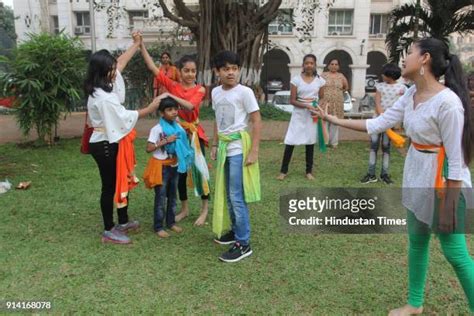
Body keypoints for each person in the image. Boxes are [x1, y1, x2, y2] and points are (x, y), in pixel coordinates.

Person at [314, 38, 474, 315]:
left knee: (455, 254)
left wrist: (449, 204)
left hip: (445, 183)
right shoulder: (410, 94)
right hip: (417, 176)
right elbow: (378, 123)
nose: (404, 58)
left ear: (424, 59)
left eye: (410, 52)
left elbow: (457, 160)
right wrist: (334, 120)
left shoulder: (448, 103)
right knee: (417, 241)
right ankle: (414, 303)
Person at [85, 46, 161, 244]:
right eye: (111, 68)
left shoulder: (102, 89)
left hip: (110, 141)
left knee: (121, 179)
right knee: (109, 186)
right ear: (102, 71)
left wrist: (136, 45)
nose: (114, 71)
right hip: (104, 144)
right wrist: (150, 108)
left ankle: (123, 221)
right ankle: (109, 229)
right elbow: (122, 117)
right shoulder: (102, 98)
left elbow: (121, 63)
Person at [141, 43, 210, 226]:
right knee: (179, 172)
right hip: (179, 134)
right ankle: (185, 209)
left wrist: (167, 96)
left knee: (199, 171)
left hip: (194, 134)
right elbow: (153, 68)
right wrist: (141, 45)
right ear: (179, 71)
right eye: (186, 71)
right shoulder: (173, 85)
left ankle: (204, 210)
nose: (190, 74)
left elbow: (189, 106)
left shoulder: (200, 89)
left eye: (193, 71)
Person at [210, 50, 262, 263]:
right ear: (217, 72)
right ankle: (234, 230)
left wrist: (254, 151)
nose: (231, 73)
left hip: (238, 149)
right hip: (223, 148)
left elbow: (257, 121)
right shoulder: (215, 93)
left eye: (234, 68)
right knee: (228, 194)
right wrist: (214, 144)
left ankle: (243, 243)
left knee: (236, 196)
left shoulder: (245, 92)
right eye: (226, 69)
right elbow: (217, 120)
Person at [143, 97, 194, 238]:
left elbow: (183, 145)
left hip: (175, 165)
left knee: (173, 196)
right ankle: (158, 226)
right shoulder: (157, 129)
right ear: (161, 113)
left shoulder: (178, 128)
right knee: (160, 197)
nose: (173, 112)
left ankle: (171, 223)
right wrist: (165, 140)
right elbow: (148, 148)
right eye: (169, 110)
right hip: (161, 167)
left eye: (175, 109)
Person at [277, 54, 326, 181]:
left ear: (315, 65)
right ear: (303, 65)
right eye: (307, 63)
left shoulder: (320, 81)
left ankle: (309, 171)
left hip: (312, 115)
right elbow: (292, 100)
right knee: (290, 141)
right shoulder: (296, 80)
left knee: (310, 142)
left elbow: (322, 97)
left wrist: (317, 107)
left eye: (312, 63)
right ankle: (283, 171)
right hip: (299, 114)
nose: (309, 65)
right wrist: (306, 106)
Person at [360, 63, 407, 185]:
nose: (381, 75)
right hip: (378, 120)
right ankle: (371, 174)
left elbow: (402, 106)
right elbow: (377, 103)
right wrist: (382, 117)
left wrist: (391, 121)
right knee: (373, 146)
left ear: (390, 75)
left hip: (389, 123)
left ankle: (384, 174)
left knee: (386, 148)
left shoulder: (402, 89)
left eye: (384, 73)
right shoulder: (379, 86)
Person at [321, 58, 349, 148]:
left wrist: (337, 93)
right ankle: (324, 142)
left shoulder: (341, 76)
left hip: (337, 102)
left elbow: (346, 87)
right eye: (332, 64)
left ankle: (334, 143)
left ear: (338, 66)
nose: (334, 66)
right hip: (325, 101)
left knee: (335, 122)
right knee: (324, 121)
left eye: (336, 64)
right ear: (328, 65)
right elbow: (318, 87)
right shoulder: (323, 75)